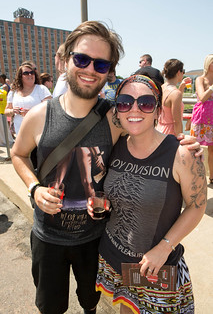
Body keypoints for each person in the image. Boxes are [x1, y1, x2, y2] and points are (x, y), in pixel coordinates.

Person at [10, 21, 201, 314]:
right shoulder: (39, 115)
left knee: (92, 303)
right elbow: (18, 154)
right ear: (65, 59)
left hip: (95, 239)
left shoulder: (114, 117)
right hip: (48, 238)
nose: (89, 69)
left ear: (109, 71)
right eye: (82, 59)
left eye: (100, 64)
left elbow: (144, 127)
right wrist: (33, 187)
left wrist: (180, 143)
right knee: (50, 306)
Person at [88, 74, 207, 314]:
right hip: (114, 256)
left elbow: (197, 206)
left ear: (157, 110)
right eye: (124, 102)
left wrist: (165, 247)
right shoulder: (115, 146)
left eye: (145, 102)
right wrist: (104, 204)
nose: (134, 109)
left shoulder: (182, 154)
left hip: (156, 267)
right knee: (127, 309)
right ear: (117, 111)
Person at [5, 61, 52, 136]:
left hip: (39, 133)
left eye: (32, 72)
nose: (30, 75)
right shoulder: (13, 92)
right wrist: (13, 111)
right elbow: (6, 110)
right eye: (26, 73)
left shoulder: (41, 89)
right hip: (20, 133)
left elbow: (50, 109)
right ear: (20, 76)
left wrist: (31, 113)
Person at [190, 54, 213, 184]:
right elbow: (203, 97)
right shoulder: (200, 79)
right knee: (195, 147)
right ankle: (195, 176)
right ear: (208, 64)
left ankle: (212, 177)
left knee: (212, 150)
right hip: (202, 118)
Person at [156, 58, 191, 136]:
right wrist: (180, 139)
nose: (183, 73)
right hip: (170, 134)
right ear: (179, 72)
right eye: (183, 71)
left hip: (159, 129)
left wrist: (181, 87)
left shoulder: (162, 87)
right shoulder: (175, 93)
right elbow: (177, 122)